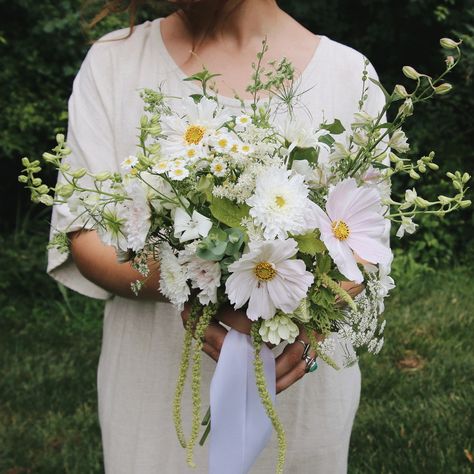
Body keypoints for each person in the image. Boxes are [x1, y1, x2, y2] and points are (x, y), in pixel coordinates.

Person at [47, 0, 389, 472]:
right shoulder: (114, 63)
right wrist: (215, 284)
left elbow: (366, 250)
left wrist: (312, 323)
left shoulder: (350, 77)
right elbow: (84, 237)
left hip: (298, 395)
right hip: (156, 390)